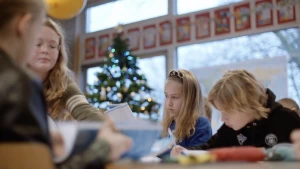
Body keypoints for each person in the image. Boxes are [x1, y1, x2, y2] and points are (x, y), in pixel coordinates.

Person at [0, 1, 131, 168]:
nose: (44, 50)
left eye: (52, 46)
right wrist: (104, 147)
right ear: (24, 25)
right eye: (37, 41)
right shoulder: (19, 85)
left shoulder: (60, 83)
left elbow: (84, 110)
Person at [171, 69, 300, 156]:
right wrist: (184, 152)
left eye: (227, 111)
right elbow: (207, 148)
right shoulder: (231, 128)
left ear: (246, 104)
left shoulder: (286, 120)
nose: (223, 118)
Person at [27, 18, 104, 121]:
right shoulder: (8, 79)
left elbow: (86, 112)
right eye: (38, 44)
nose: (45, 50)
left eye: (52, 46)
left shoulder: (64, 83)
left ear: (59, 52)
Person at [160, 70, 211, 157]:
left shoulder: (200, 124)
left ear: (190, 99)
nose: (169, 103)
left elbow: (197, 160)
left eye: (175, 97)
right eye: (166, 96)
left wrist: (181, 154)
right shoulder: (168, 124)